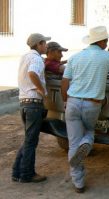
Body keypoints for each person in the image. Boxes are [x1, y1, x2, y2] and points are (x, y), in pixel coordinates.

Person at [61, 26, 109, 193]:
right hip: (92, 104)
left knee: (73, 144)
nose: (107, 43)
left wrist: (66, 102)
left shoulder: (75, 57)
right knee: (90, 131)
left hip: (73, 102)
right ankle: (86, 143)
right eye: (105, 40)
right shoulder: (107, 57)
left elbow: (65, 82)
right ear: (99, 41)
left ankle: (78, 183)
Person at [12, 33, 51, 183]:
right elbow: (32, 73)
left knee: (28, 139)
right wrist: (41, 89)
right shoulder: (36, 59)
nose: (46, 46)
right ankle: (27, 174)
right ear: (39, 44)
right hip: (34, 103)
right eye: (45, 43)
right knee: (31, 141)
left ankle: (17, 172)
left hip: (24, 102)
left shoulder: (25, 57)